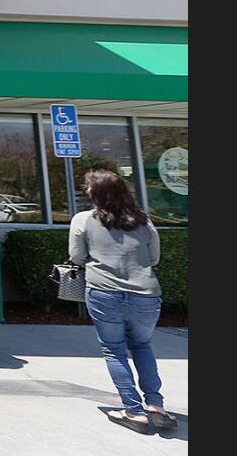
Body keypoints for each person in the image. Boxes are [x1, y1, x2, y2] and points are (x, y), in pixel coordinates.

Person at [68, 169, 175, 434]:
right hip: (146, 294)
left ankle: (133, 410)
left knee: (114, 350)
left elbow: (77, 257)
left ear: (96, 193)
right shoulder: (144, 221)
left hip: (104, 292)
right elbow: (153, 258)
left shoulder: (83, 220)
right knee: (142, 345)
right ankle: (156, 406)